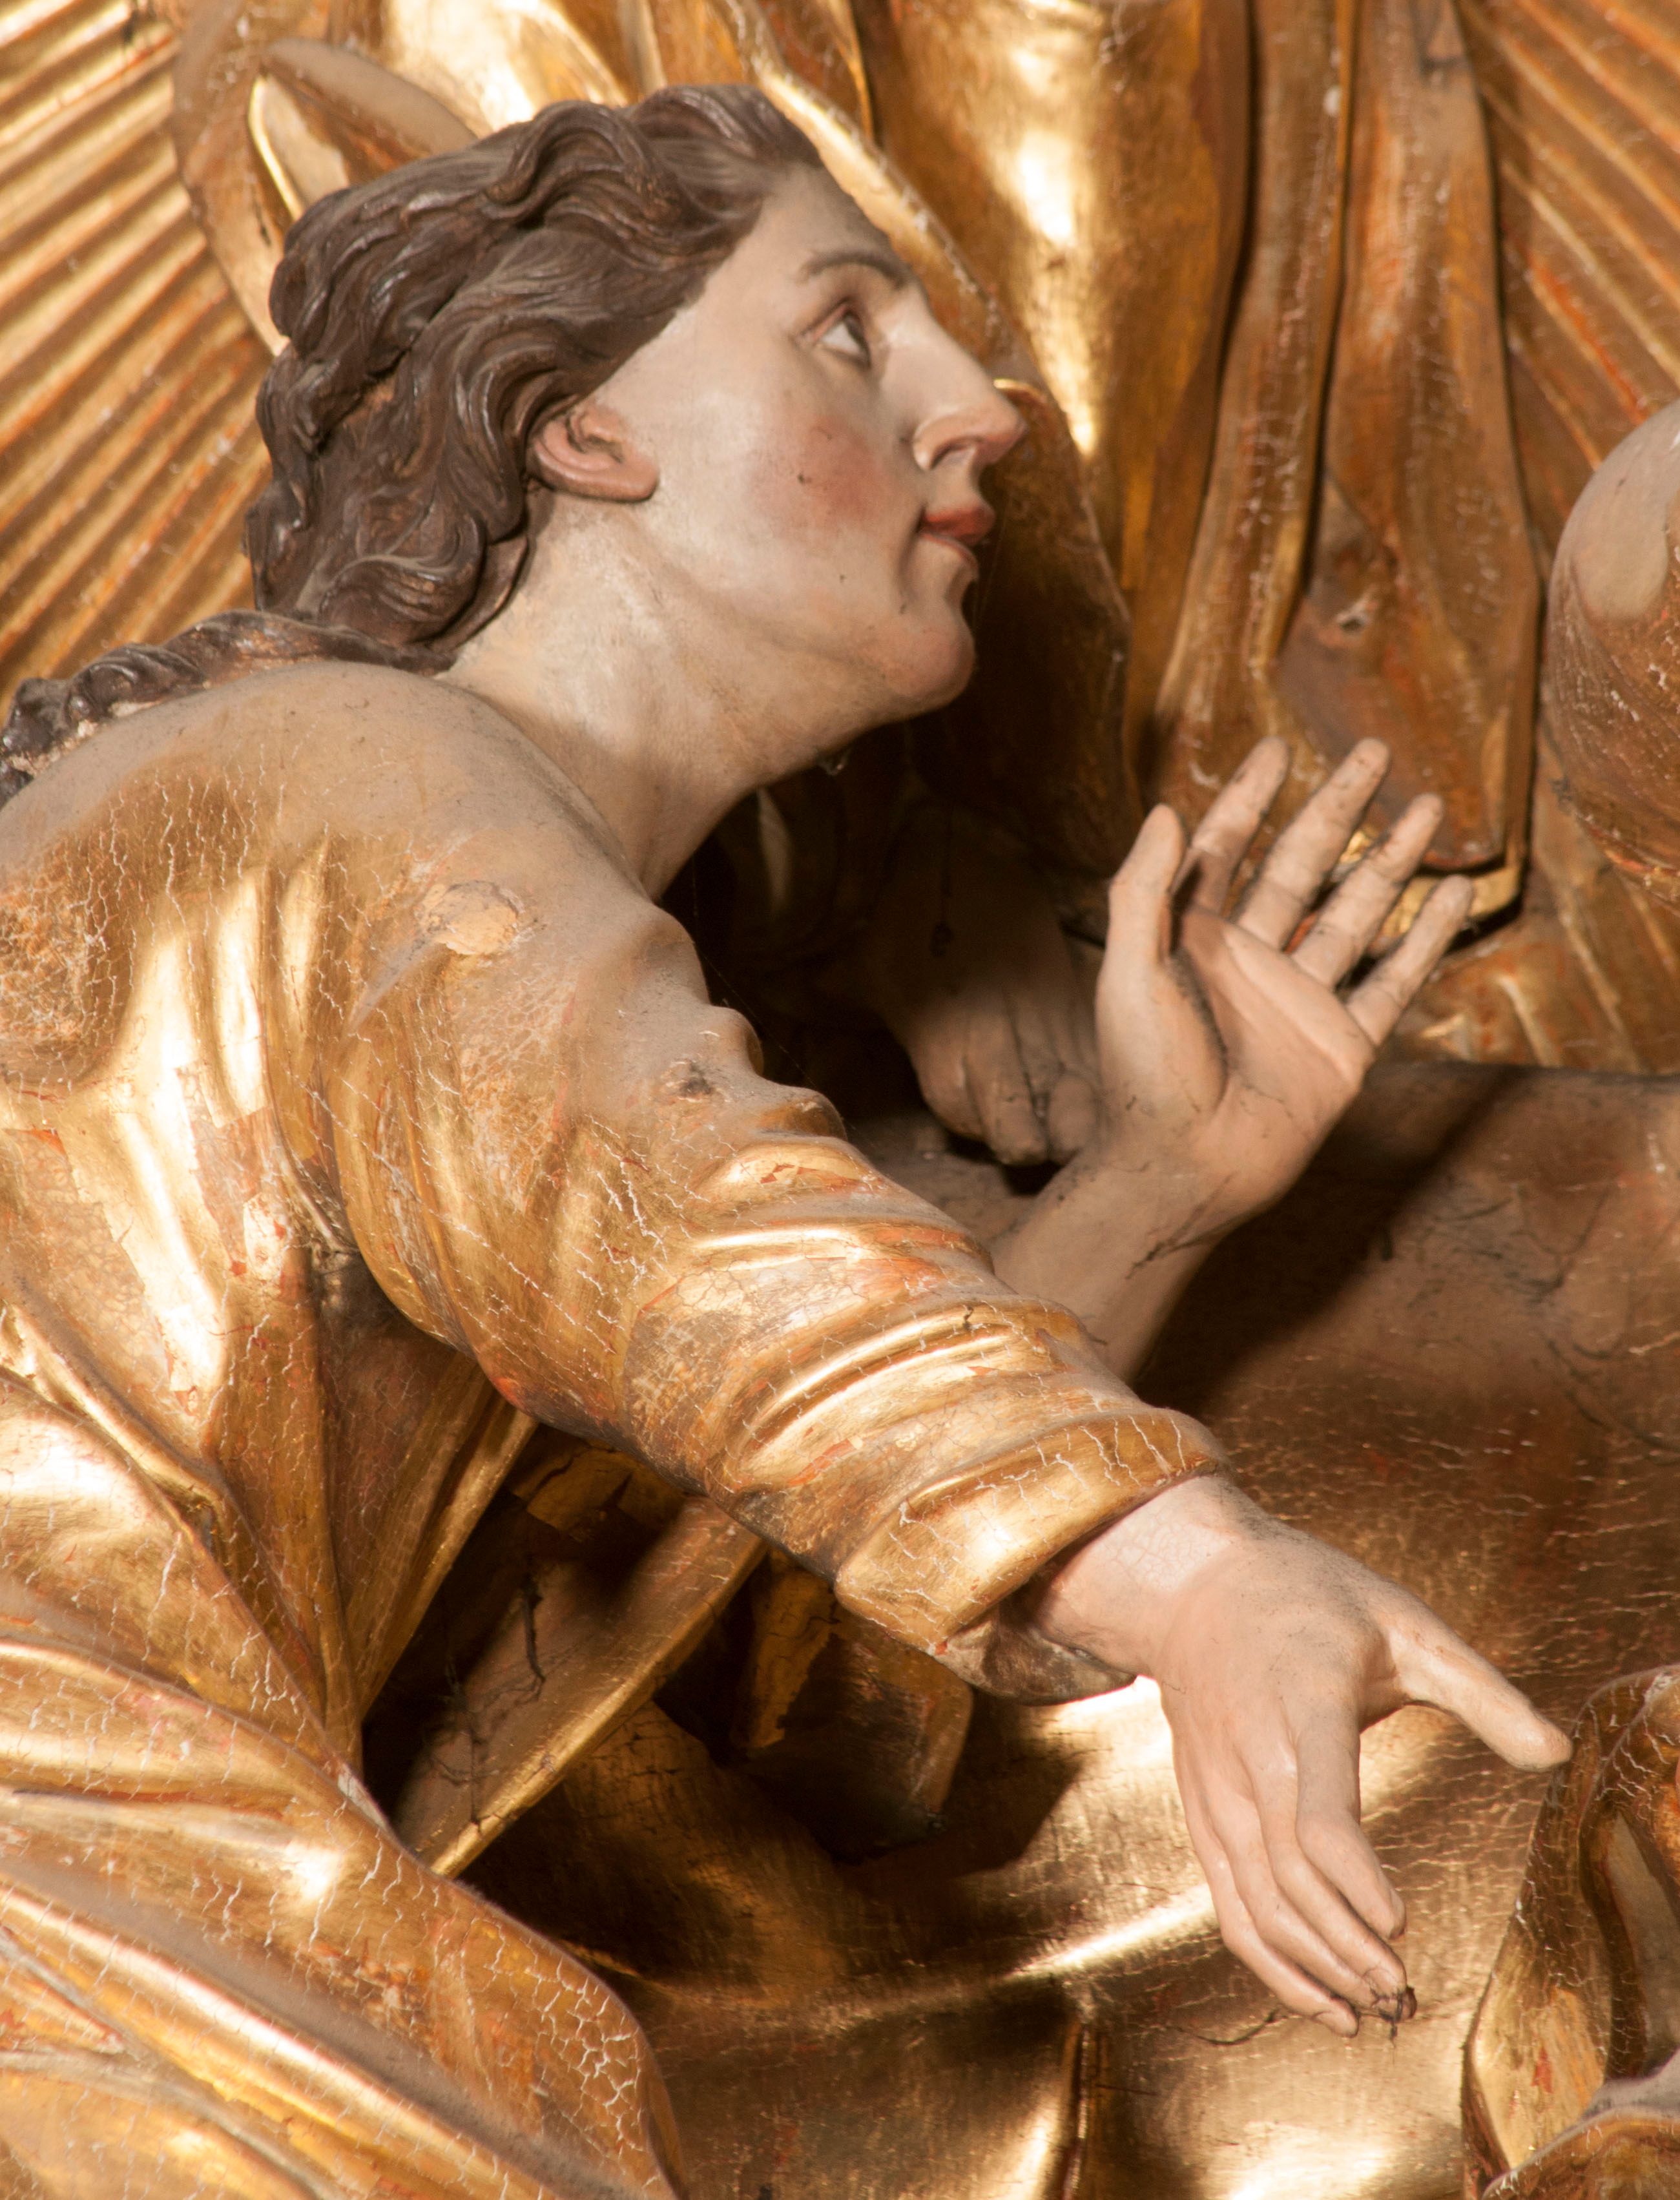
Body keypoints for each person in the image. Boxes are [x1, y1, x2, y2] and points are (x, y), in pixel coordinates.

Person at [0, 86, 1564, 2194]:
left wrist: (1158, 1190)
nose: (981, 409)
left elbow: (636, 1657)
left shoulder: (405, 917)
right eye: (847, 328)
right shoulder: (347, 777)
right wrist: (1200, 1581)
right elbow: (701, 1247)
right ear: (579, 427)